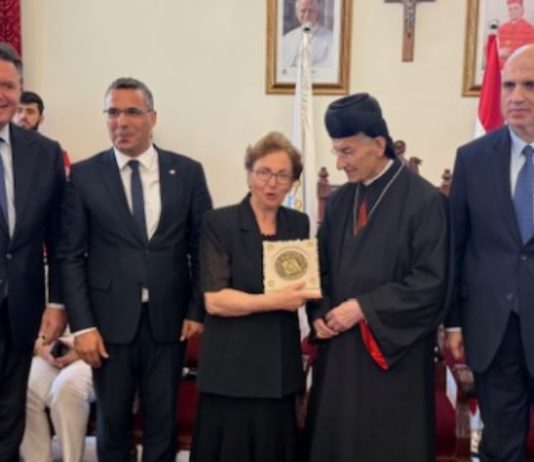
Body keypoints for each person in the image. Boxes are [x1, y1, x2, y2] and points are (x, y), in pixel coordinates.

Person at [58, 77, 212, 462]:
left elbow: (202, 249)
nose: (121, 122)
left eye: (131, 112)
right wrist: (83, 326)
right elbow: (70, 255)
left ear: (152, 117)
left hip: (169, 321)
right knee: (112, 424)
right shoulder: (84, 175)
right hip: (108, 324)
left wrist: (196, 310)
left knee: (162, 422)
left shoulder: (187, 172)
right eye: (112, 112)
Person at [303, 93, 450, 462]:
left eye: (348, 152)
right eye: (337, 152)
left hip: (393, 356)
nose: (340, 163)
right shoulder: (340, 201)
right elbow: (319, 266)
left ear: (379, 144)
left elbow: (432, 281)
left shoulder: (425, 201)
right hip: (339, 350)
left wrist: (363, 308)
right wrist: (319, 312)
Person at [190, 132, 313, 462]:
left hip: (278, 366)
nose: (271, 183)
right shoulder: (219, 223)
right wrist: (276, 301)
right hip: (231, 367)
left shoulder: (298, 224)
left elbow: (305, 281)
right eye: (263, 172)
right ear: (249, 174)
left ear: (293, 183)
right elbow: (215, 300)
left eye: (282, 175)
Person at [446, 44, 534, 462]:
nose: (516, 96)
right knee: (501, 447)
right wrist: (453, 321)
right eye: (509, 85)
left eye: (530, 85)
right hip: (496, 328)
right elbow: (457, 245)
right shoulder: (473, 158)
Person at [11, 91, 92, 462]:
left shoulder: (52, 157)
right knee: (24, 388)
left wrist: (76, 346)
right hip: (45, 346)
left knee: (66, 390)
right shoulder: (41, 258)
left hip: (90, 350)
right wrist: (41, 344)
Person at [0, 43, 66, 462]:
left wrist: (57, 301)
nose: (2, 94)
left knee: (10, 413)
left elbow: (59, 238)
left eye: (9, 86)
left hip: (20, 308)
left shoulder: (45, 153)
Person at [19, 334, 95, 462]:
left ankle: (72, 458)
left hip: (95, 350)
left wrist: (81, 349)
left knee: (65, 388)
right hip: (52, 347)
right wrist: (40, 346)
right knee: (23, 383)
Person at [13, 91, 71, 172]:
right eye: (18, 111)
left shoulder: (55, 154)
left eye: (30, 111)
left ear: (40, 119)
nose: (23, 116)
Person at [281, 0, 333, 69]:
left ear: (317, 12)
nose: (307, 15)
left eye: (311, 11)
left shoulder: (331, 40)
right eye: (303, 11)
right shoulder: (286, 39)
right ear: (296, 13)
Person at [497, 0, 534, 67]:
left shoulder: (530, 29)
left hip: (519, 69)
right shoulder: (502, 29)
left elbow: (530, 53)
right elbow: (489, 48)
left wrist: (511, 53)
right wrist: (498, 52)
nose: (512, 12)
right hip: (500, 69)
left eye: (515, 8)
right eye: (510, 9)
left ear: (522, 10)